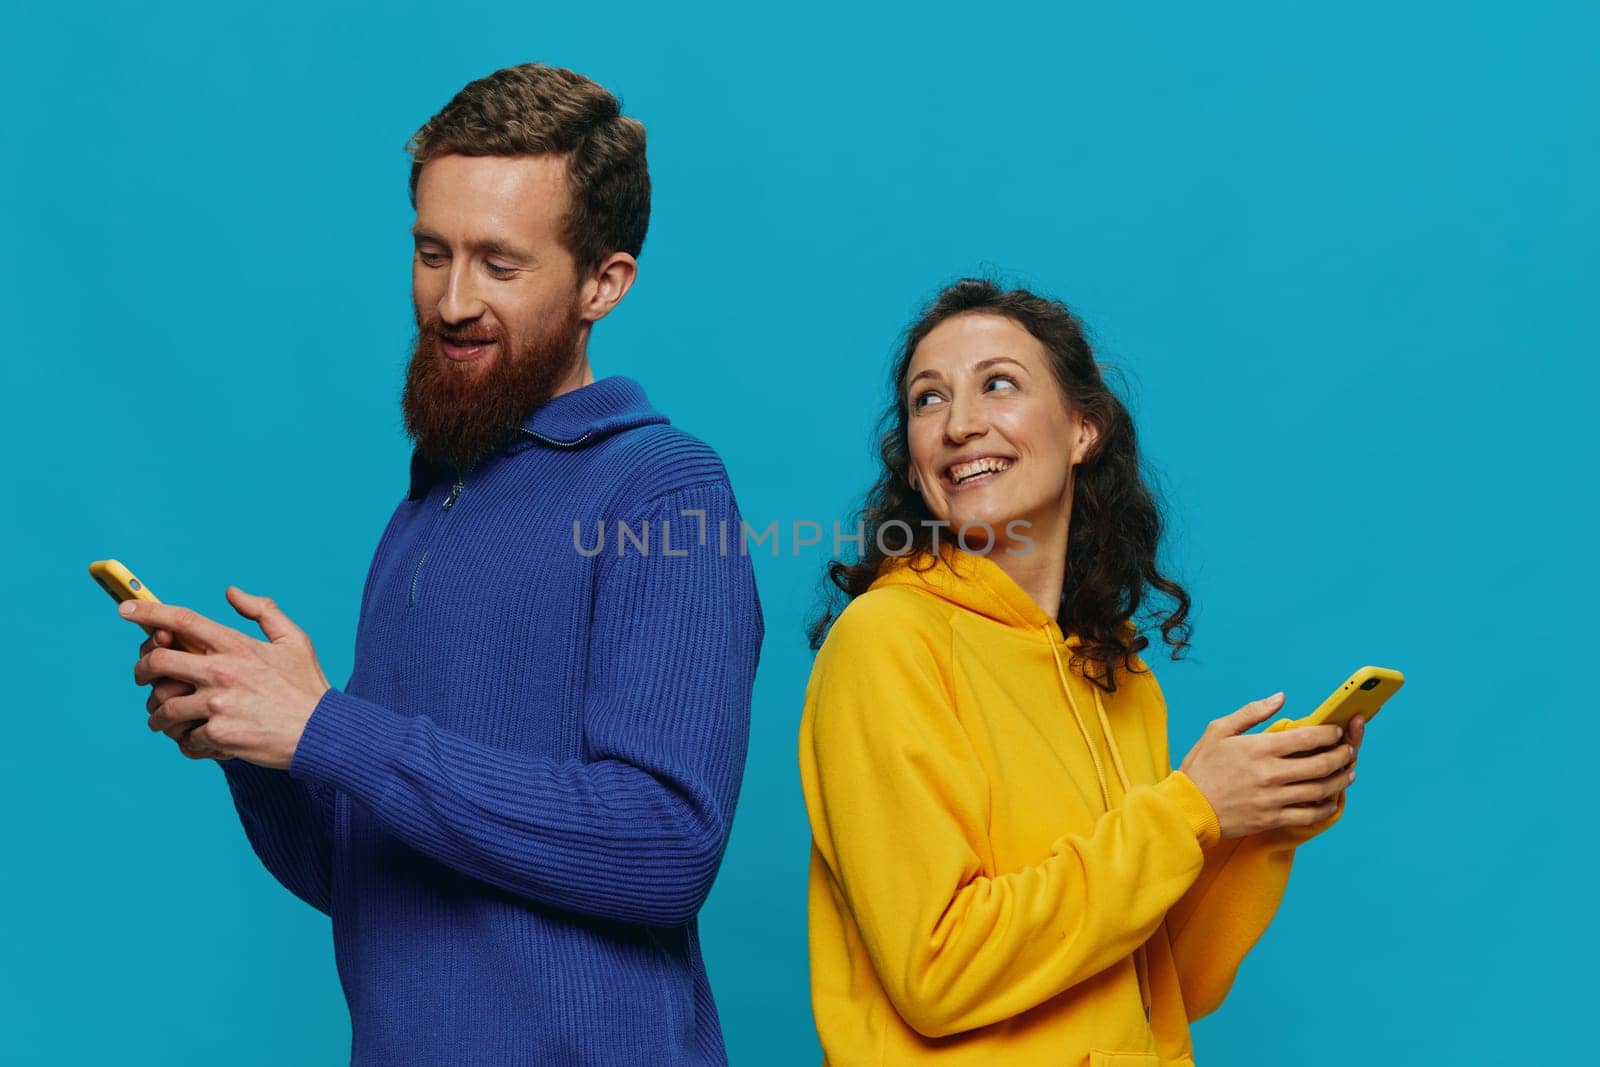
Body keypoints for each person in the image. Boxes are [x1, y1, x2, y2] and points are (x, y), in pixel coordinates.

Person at [125, 63, 762, 1065]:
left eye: (499, 264)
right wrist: (257, 735)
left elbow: (663, 844)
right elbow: (370, 877)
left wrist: (328, 725)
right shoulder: (428, 506)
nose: (452, 300)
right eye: (432, 253)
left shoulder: (665, 492)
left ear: (605, 280)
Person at [799, 279, 1365, 1065]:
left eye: (998, 383)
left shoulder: (1117, 674)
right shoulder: (887, 641)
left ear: (1082, 430)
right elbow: (938, 968)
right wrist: (1188, 810)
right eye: (928, 400)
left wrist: (1257, 824)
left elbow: (1169, 984)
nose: (960, 424)